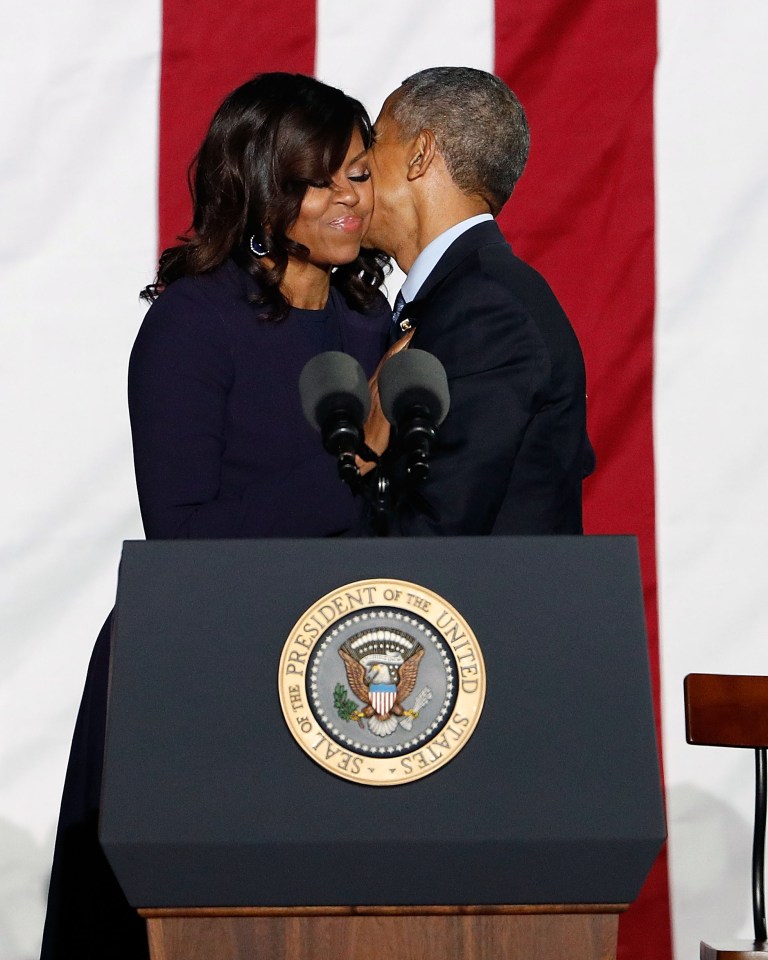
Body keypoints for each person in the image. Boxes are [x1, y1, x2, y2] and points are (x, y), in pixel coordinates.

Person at [41, 72, 390, 959]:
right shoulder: (193, 323)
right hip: (197, 669)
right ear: (264, 186)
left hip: (332, 675)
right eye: (325, 179)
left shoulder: (370, 322)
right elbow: (183, 533)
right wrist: (359, 461)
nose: (353, 198)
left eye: (360, 172)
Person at [363, 66, 595, 535]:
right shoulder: (466, 296)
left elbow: (439, 529)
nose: (355, 169)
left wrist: (361, 459)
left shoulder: (486, 313)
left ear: (420, 154)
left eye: (374, 140)